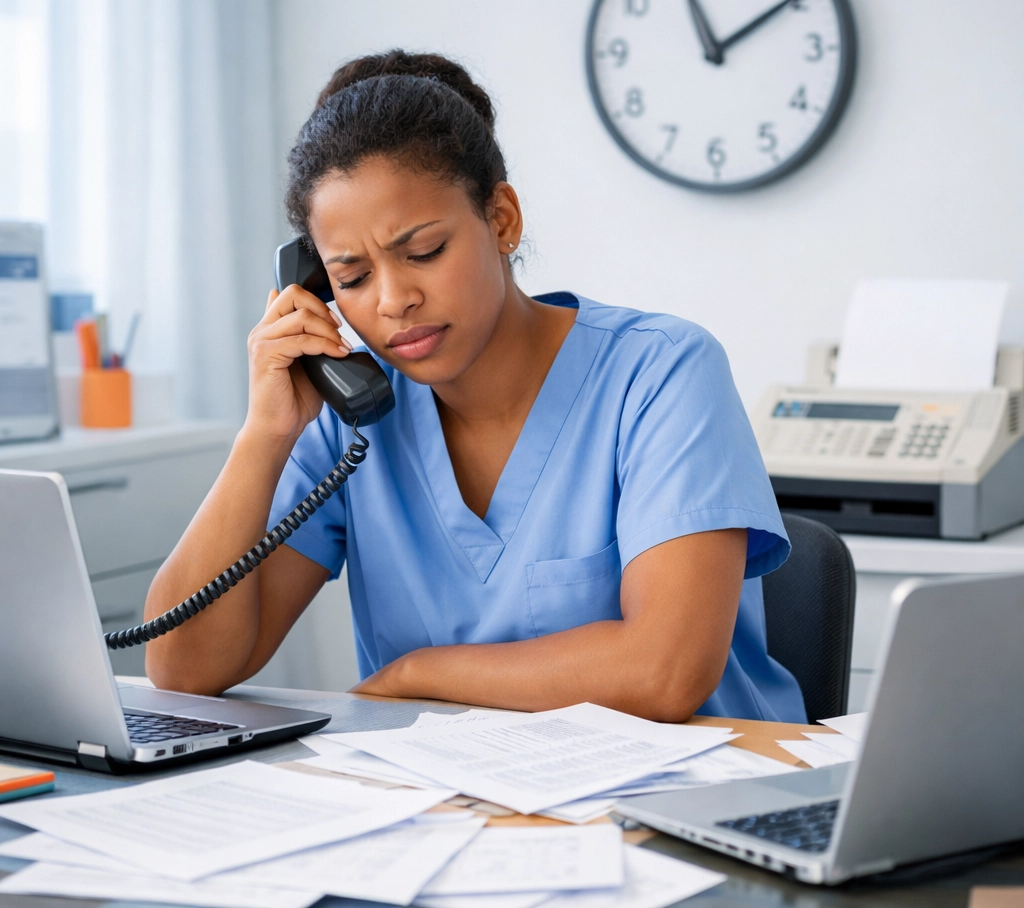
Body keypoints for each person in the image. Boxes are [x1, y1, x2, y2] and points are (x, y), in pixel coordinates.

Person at [144, 50, 806, 724]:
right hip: (451, 808)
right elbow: (182, 668)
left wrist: (416, 673)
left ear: (502, 220)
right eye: (351, 277)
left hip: (689, 800)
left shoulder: (662, 372)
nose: (394, 299)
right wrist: (265, 434)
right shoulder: (350, 418)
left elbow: (663, 673)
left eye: (424, 251)